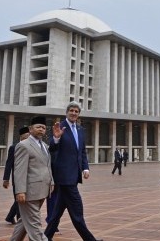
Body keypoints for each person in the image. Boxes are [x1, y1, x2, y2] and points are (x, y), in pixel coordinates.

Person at [44, 101, 103, 241]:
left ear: (79, 114)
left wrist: (85, 168)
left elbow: (82, 152)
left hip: (74, 175)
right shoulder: (60, 127)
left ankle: (45, 237)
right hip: (64, 176)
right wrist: (56, 138)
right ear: (67, 112)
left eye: (76, 111)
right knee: (77, 212)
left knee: (56, 213)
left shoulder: (81, 130)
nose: (74, 113)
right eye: (71, 110)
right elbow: (51, 148)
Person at [10, 116, 54, 241]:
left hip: (42, 189)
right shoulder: (23, 145)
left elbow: (47, 166)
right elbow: (19, 170)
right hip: (29, 191)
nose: (41, 129)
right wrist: (20, 191)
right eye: (38, 127)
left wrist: (52, 181)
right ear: (30, 129)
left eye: (44, 127)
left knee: (24, 221)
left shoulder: (45, 146)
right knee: (35, 224)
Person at [3, 126, 30, 225]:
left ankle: (10, 217)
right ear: (22, 136)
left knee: (21, 200)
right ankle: (20, 220)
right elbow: (9, 163)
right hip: (18, 178)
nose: (29, 137)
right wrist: (6, 179)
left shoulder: (31, 145)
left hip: (29, 178)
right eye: (27, 135)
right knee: (19, 200)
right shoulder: (14, 147)